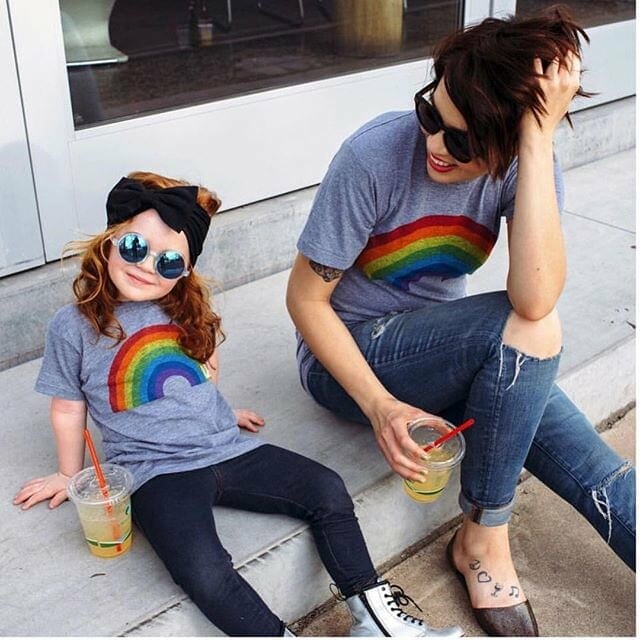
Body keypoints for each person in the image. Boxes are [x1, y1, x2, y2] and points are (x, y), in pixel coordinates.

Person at [286, 6, 635, 638]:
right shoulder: (373, 156)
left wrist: (536, 144)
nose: (436, 146)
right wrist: (381, 407)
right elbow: (307, 302)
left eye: (465, 141)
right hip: (351, 358)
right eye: (431, 115)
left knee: (599, 473)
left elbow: (536, 294)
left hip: (454, 350)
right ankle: (484, 537)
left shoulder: (525, 165)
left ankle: (480, 533)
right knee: (528, 331)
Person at [13, 171, 464, 638]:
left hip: (227, 448)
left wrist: (221, 412)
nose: (147, 266)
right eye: (134, 247)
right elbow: (68, 408)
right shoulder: (75, 326)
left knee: (326, 488)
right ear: (109, 242)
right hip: (154, 471)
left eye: (169, 261)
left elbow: (195, 376)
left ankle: (375, 618)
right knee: (202, 566)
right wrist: (68, 474)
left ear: (185, 271)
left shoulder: (185, 311)